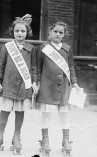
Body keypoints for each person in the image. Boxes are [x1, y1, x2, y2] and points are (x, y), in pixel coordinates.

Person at [0, 14, 38, 155]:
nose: (20, 33)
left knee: (20, 111)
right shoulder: (7, 47)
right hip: (8, 85)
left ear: (27, 32)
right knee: (4, 111)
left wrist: (34, 82)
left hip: (24, 86)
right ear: (13, 31)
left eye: (23, 31)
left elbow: (34, 68)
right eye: (17, 31)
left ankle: (16, 137)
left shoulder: (31, 48)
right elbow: (0, 66)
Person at [35, 21, 80, 156]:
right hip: (47, 86)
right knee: (47, 113)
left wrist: (75, 82)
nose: (58, 34)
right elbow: (38, 67)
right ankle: (45, 140)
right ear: (50, 32)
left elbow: (70, 67)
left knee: (64, 113)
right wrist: (36, 82)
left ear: (64, 35)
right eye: (55, 31)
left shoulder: (67, 49)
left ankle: (66, 140)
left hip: (63, 87)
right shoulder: (44, 48)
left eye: (61, 32)